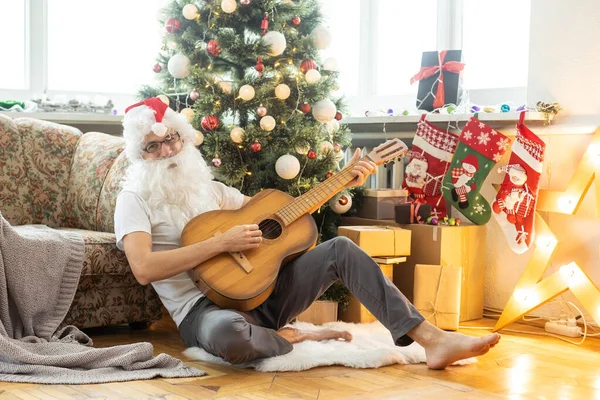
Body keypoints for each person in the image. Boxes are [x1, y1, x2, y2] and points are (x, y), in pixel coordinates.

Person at [114, 98, 500, 369]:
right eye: (152, 145)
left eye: (171, 140)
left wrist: (342, 181)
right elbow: (144, 268)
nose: (166, 151)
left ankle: (433, 340)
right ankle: (296, 338)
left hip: (262, 297)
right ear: (139, 154)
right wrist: (220, 243)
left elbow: (279, 218)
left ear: (183, 140)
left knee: (341, 249)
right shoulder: (133, 199)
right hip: (203, 312)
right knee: (232, 336)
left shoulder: (212, 190)